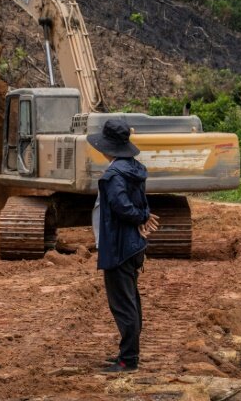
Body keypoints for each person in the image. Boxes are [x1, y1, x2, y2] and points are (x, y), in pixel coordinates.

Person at [87, 119, 159, 373]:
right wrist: (143, 215)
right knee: (131, 300)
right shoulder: (135, 169)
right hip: (132, 245)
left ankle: (129, 359)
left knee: (122, 303)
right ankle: (128, 352)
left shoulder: (113, 175)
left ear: (108, 148)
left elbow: (120, 205)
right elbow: (140, 202)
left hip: (119, 247)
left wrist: (140, 217)